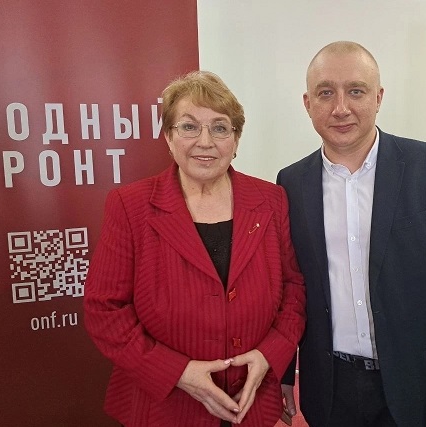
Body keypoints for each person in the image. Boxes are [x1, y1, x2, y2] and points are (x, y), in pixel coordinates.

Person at [277, 41, 426, 427]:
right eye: (325, 93)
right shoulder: (291, 182)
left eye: (355, 91)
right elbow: (287, 288)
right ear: (307, 104)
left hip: (419, 388)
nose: (341, 107)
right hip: (328, 391)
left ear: (378, 98)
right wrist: (281, 374)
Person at [84, 70, 306, 427]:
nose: (205, 141)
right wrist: (177, 372)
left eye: (220, 128)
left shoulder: (271, 200)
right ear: (169, 137)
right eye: (189, 127)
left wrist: (269, 355)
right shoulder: (130, 206)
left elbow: (294, 289)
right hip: (163, 409)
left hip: (251, 406)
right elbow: (105, 310)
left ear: (236, 140)